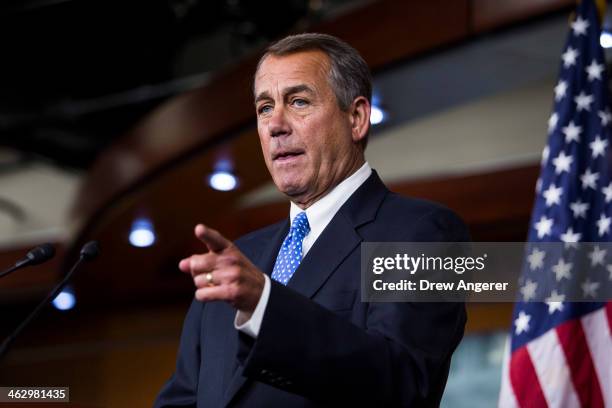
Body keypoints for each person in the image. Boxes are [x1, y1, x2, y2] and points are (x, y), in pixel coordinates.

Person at [154, 33, 469, 408]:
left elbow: (402, 383)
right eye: (265, 108)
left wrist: (266, 306)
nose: (276, 125)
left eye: (298, 101)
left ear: (356, 118)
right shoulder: (238, 260)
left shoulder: (421, 233)